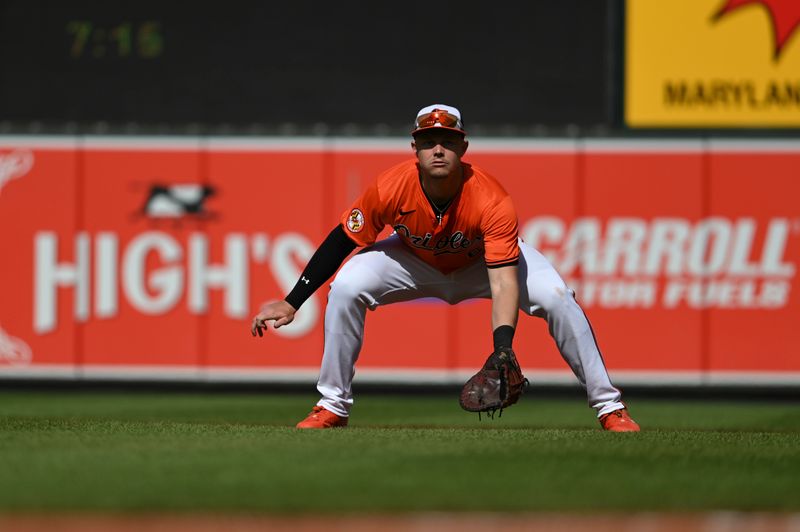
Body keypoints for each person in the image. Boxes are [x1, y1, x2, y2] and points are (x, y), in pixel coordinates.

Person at [251, 104, 640, 432]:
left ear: (463, 147)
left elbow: (504, 281)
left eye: (448, 142)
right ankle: (333, 405)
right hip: (413, 262)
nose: (438, 149)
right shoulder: (389, 187)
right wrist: (293, 301)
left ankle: (610, 408)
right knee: (347, 286)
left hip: (480, 264)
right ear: (414, 149)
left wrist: (502, 348)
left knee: (558, 299)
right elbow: (343, 239)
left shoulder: (491, 198)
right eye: (428, 142)